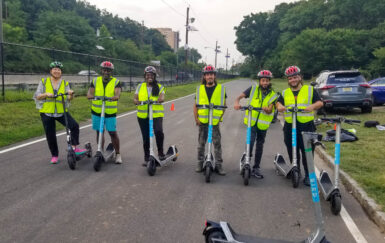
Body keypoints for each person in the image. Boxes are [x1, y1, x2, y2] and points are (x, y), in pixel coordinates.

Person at [276, 66, 323, 186]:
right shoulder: (285, 92)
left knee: (307, 150)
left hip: (306, 125)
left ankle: (309, 175)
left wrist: (312, 107)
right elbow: (278, 103)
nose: (293, 80)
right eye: (290, 78)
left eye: (295, 77)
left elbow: (320, 102)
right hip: (290, 126)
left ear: (300, 77)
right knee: (292, 149)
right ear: (288, 80)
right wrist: (279, 107)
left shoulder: (310, 89)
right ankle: (296, 169)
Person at [34, 61, 86, 164]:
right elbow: (37, 96)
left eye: (58, 69)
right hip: (47, 112)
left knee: (74, 126)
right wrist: (45, 94)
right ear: (51, 71)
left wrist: (71, 94)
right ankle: (54, 155)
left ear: (61, 72)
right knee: (50, 134)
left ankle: (74, 147)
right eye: (54, 69)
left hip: (61, 111)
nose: (56, 71)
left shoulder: (65, 83)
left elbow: (69, 98)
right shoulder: (44, 82)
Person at [234, 70, 278, 178]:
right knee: (250, 141)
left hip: (263, 124)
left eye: (267, 81)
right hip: (252, 122)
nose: (265, 83)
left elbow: (270, 110)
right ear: (259, 81)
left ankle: (256, 167)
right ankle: (247, 161)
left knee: (259, 145)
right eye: (263, 80)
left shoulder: (273, 94)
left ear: (269, 81)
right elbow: (239, 97)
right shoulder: (252, 89)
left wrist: (267, 109)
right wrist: (236, 103)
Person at [193, 65, 227, 175]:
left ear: (214, 76)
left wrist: (219, 116)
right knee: (201, 144)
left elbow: (224, 105)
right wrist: (196, 118)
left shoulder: (221, 89)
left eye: (211, 74)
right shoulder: (200, 89)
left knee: (217, 144)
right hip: (203, 122)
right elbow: (195, 106)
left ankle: (218, 165)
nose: (209, 76)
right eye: (207, 74)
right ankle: (199, 162)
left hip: (215, 122)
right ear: (204, 76)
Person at [87, 61, 122, 164]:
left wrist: (115, 97)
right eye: (105, 70)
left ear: (111, 71)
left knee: (112, 132)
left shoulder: (116, 81)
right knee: (99, 131)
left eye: (109, 70)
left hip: (110, 112)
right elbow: (90, 93)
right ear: (101, 70)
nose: (106, 72)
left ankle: (118, 154)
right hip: (97, 111)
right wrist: (91, 95)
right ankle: (100, 151)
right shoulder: (95, 80)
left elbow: (117, 93)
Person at [134, 66, 166, 166]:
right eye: (148, 75)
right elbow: (135, 99)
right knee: (146, 137)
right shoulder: (140, 86)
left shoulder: (160, 87)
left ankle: (160, 153)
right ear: (145, 76)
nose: (149, 77)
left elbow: (162, 97)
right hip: (142, 116)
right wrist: (137, 101)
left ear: (154, 76)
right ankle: (147, 157)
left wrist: (158, 100)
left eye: (151, 75)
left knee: (158, 132)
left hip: (156, 115)